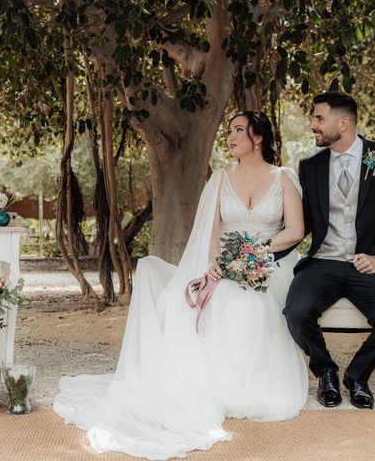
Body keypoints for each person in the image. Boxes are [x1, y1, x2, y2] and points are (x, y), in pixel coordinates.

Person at [54, 112, 308, 460]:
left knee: (254, 300)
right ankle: (213, 383)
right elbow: (211, 234)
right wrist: (222, 263)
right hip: (224, 264)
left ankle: (253, 383)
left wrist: (255, 254)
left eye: (238, 130)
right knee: (219, 295)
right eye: (228, 131)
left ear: (258, 137)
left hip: (272, 264)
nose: (230, 137)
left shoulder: (284, 178)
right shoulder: (219, 179)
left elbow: (294, 230)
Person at [284, 92, 375, 410]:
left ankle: (357, 375)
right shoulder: (311, 166)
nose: (312, 125)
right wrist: (265, 246)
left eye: (319, 118)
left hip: (370, 264)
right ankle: (327, 372)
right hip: (324, 262)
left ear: (343, 122)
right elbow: (302, 223)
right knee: (296, 312)